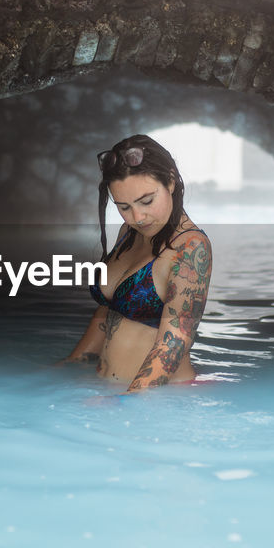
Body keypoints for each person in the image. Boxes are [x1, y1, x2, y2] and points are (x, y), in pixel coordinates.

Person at [64, 135, 213, 392]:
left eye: (146, 201)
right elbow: (108, 310)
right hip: (110, 390)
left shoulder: (190, 247)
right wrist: (70, 364)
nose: (137, 216)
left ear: (170, 181)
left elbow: (175, 342)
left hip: (157, 398)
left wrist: (126, 402)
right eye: (123, 206)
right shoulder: (129, 232)